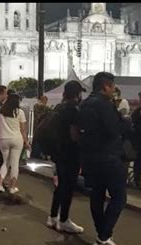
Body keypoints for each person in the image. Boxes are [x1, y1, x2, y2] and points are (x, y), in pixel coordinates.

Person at [78, 72, 127, 245]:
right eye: (112, 86)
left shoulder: (85, 103)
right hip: (108, 157)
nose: (114, 90)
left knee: (97, 194)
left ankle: (102, 235)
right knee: (119, 197)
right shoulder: (104, 104)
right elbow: (114, 130)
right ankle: (104, 238)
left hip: (90, 157)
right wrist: (125, 123)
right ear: (106, 86)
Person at [47, 81, 85, 234]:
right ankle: (64, 220)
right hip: (70, 154)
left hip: (58, 152)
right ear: (78, 94)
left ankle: (52, 216)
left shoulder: (59, 108)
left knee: (61, 185)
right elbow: (74, 135)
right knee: (68, 187)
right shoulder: (74, 110)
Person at [0, 93, 28, 194]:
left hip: (3, 139)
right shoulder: (20, 112)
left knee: (5, 162)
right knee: (14, 164)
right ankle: (12, 187)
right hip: (17, 139)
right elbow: (23, 129)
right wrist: (26, 142)